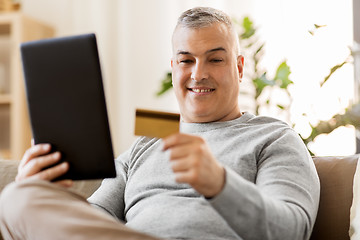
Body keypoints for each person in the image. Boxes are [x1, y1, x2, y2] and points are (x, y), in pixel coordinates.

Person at [0, 6, 320, 240]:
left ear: (239, 67)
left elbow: (291, 230)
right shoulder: (149, 140)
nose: (198, 74)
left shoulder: (274, 137)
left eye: (215, 59)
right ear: (173, 67)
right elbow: (96, 218)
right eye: (186, 60)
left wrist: (220, 184)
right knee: (16, 198)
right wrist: (45, 192)